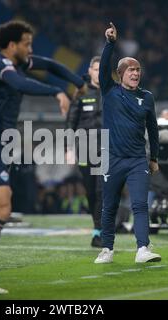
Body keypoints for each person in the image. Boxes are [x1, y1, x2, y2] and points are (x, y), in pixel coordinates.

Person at [0, 20, 86, 294]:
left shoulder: (18, 62)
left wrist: (78, 82)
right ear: (12, 46)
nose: (31, 49)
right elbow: (20, 84)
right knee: (2, 210)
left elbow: (52, 65)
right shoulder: (2, 66)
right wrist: (56, 91)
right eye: (27, 44)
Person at [94, 23, 161, 264]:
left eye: (138, 69)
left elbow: (153, 130)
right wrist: (110, 44)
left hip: (136, 160)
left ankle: (143, 248)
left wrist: (154, 158)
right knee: (109, 206)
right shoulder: (109, 91)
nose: (135, 73)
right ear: (120, 74)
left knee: (140, 205)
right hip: (112, 159)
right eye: (130, 70)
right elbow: (103, 68)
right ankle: (107, 249)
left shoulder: (147, 97)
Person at [66, 56, 103, 247]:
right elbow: (70, 122)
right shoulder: (81, 92)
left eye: (101, 69)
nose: (98, 72)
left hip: (106, 149)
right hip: (85, 149)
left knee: (101, 190)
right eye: (95, 69)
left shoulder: (111, 91)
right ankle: (97, 228)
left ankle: (100, 232)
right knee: (90, 192)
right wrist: (69, 149)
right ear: (90, 71)